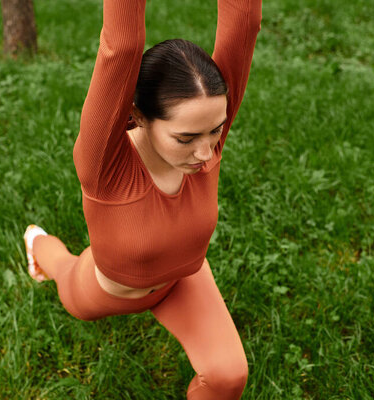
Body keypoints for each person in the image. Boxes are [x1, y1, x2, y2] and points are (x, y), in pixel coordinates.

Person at [23, 0, 261, 398]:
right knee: (64, 272)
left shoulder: (206, 135)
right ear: (137, 116)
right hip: (105, 291)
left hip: (182, 282)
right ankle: (38, 244)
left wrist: (202, 135)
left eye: (216, 132)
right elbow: (122, 47)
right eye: (185, 139)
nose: (206, 154)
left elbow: (244, 23)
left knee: (228, 377)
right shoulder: (104, 165)